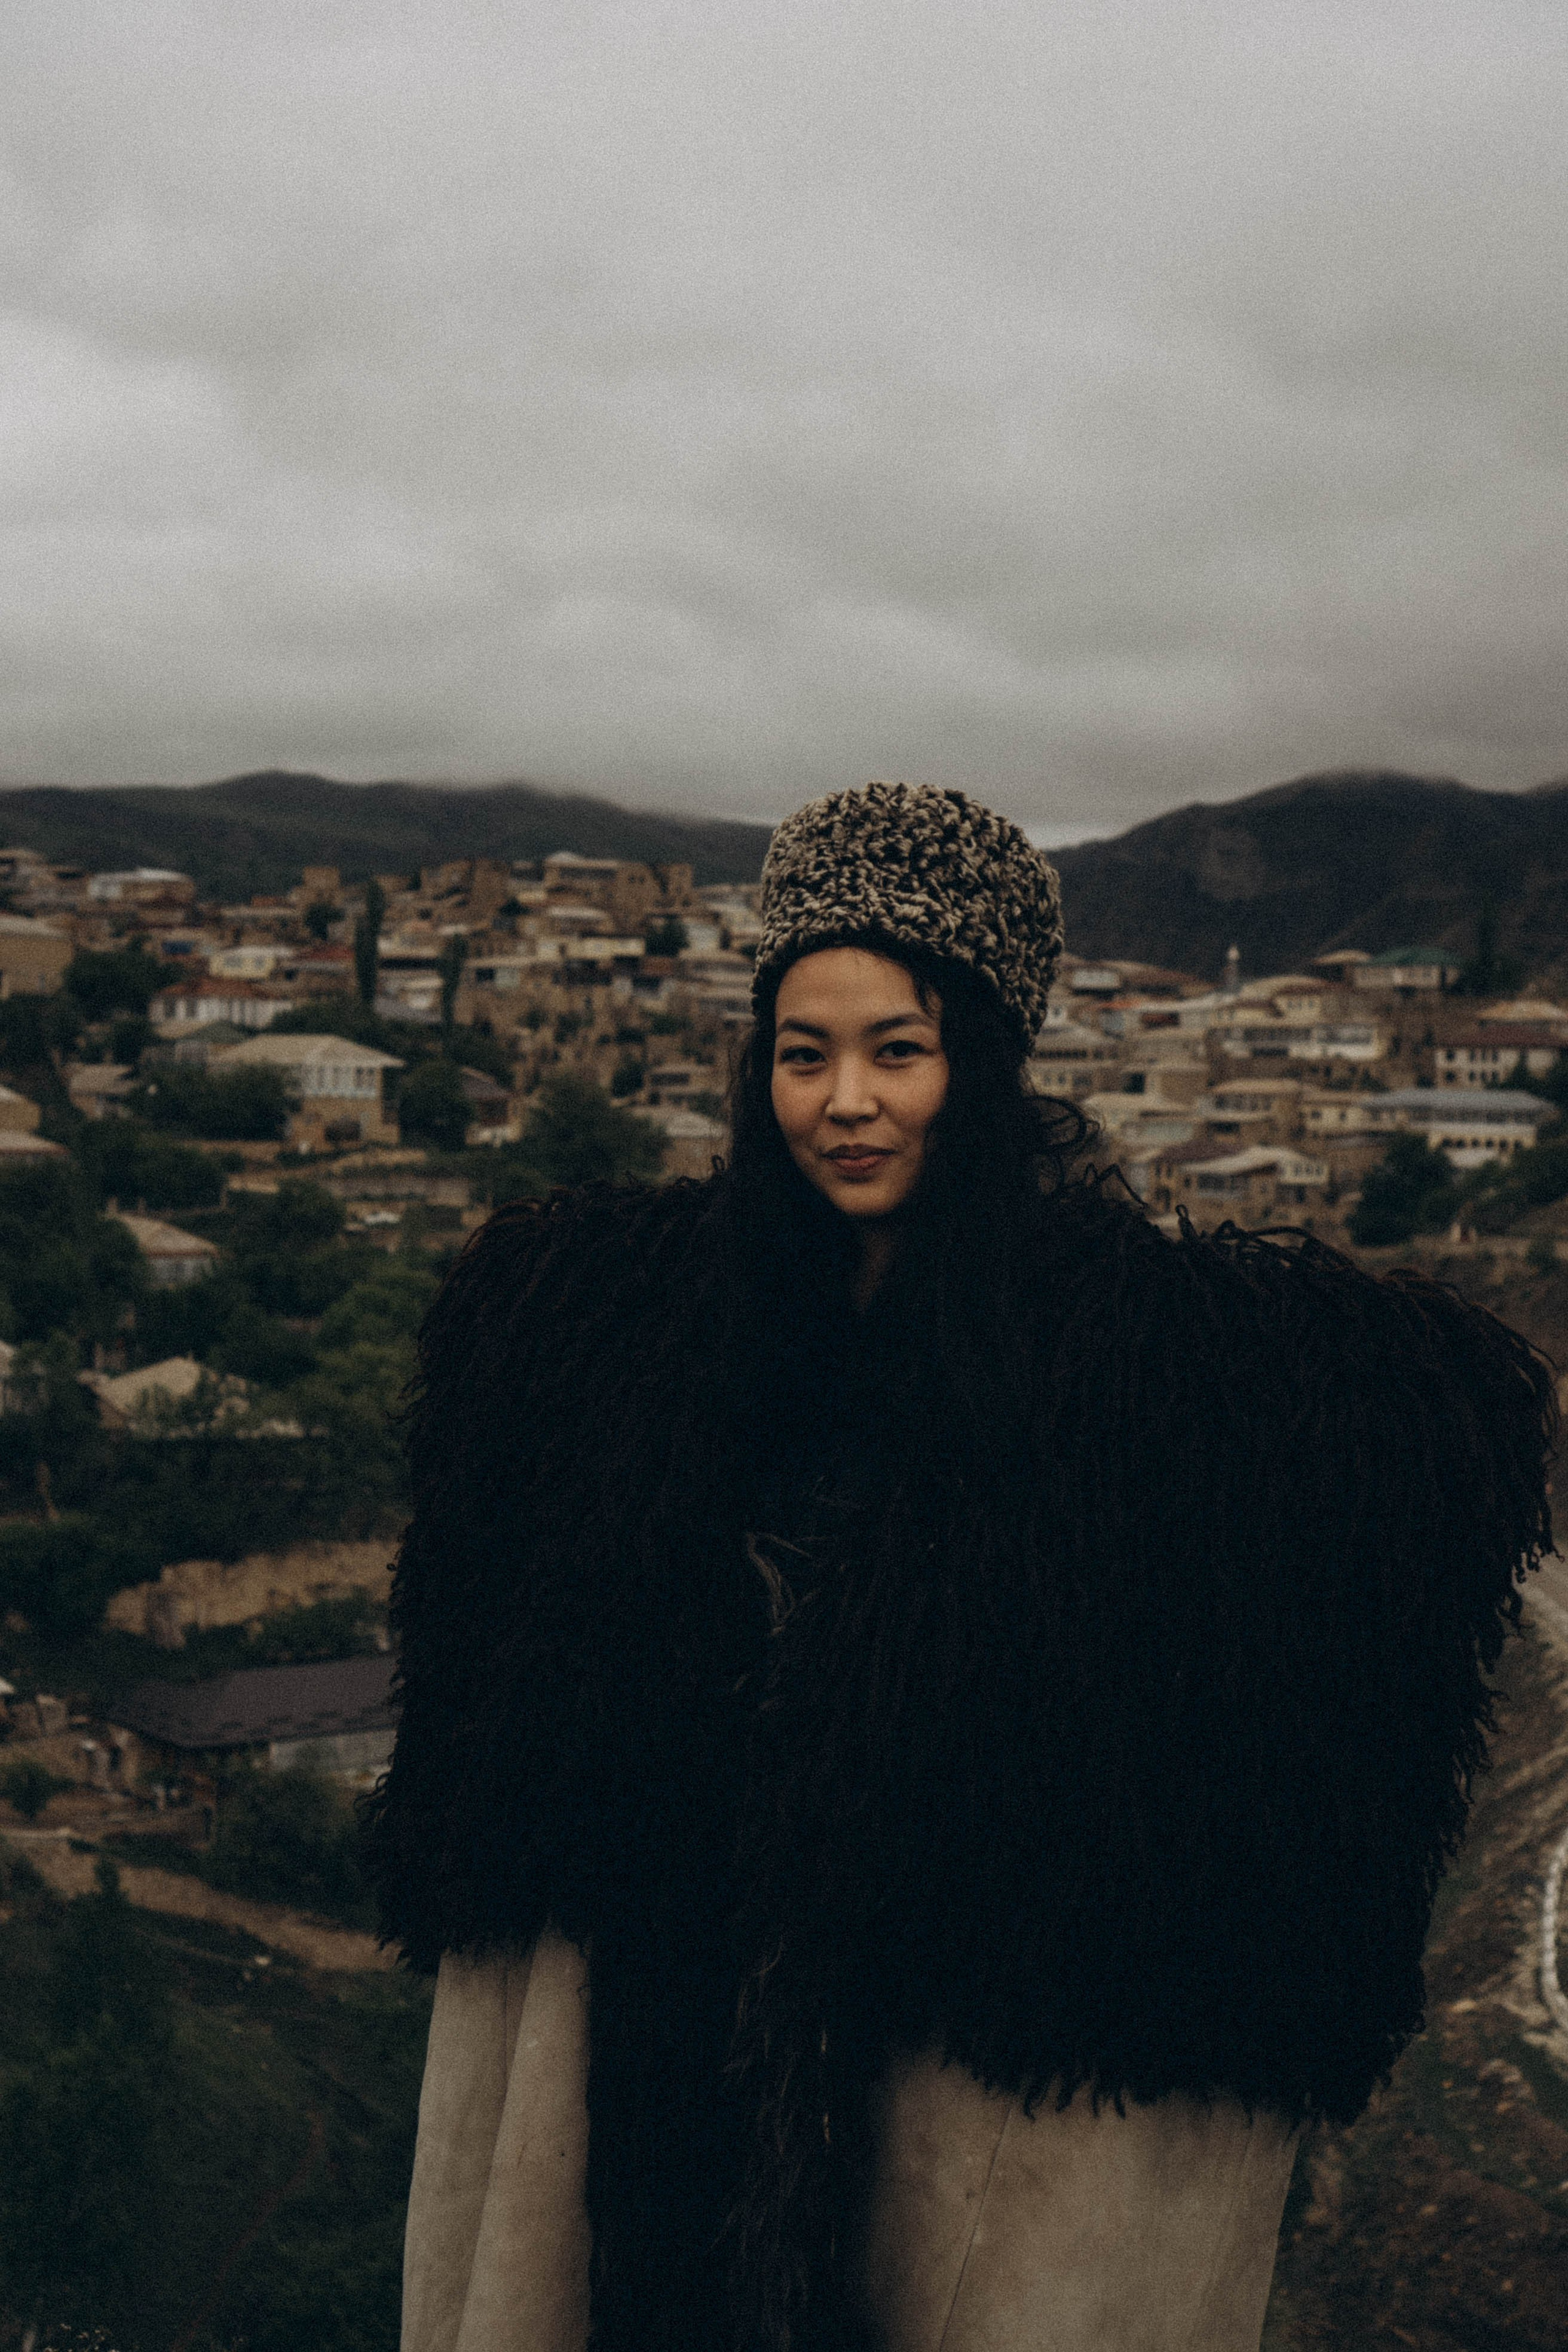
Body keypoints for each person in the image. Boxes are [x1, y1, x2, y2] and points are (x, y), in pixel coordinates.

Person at [366, 782, 1555, 2352]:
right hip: (652, 2028)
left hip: (928, 2073)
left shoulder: (1129, 1383)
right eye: (803, 1055)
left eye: (896, 1052)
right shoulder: (631, 1343)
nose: (842, 1102)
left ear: (979, 1069)